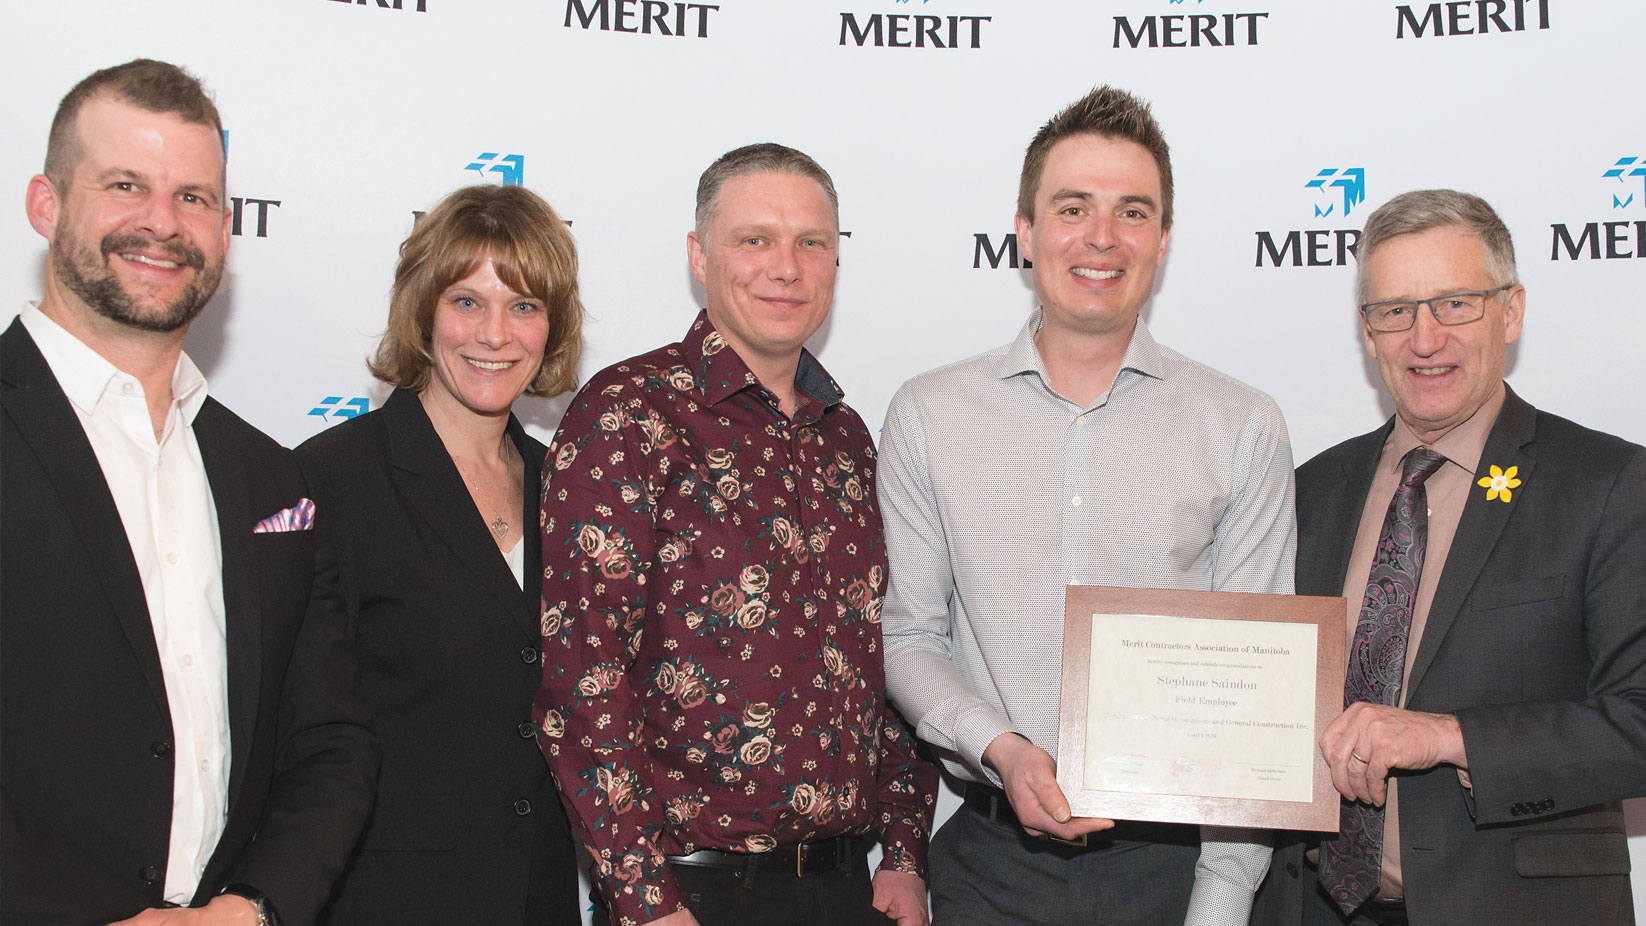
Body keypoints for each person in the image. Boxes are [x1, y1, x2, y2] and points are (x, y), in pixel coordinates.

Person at [877, 85, 1296, 925]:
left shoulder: (1242, 425)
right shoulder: (929, 414)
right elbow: (909, 637)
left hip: (1174, 874)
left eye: (1132, 212)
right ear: (1026, 234)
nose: (1102, 236)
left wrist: (1218, 906)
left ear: (1163, 240)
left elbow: (1258, 706)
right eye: (1073, 208)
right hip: (989, 868)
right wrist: (1000, 748)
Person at [1, 59, 377, 926]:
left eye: (194, 197)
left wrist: (251, 907)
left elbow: (331, 739)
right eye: (126, 185)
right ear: (46, 204)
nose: (162, 223)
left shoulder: (270, 476)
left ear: (226, 230)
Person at [533, 142, 938, 926]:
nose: (786, 267)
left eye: (811, 242)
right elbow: (583, 680)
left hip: (846, 888)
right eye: (755, 239)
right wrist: (646, 902)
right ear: (699, 255)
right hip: (688, 895)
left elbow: (891, 652)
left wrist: (903, 853)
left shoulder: (849, 439)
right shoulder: (628, 415)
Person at [1249, 189, 1646, 925]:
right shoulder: (1311, 491)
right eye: (1396, 310)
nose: (1424, 339)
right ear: (1368, 333)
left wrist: (1447, 736)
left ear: (1511, 312)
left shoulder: (1610, 483)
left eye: (1456, 304)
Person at [294, 185, 585, 925]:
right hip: (379, 899)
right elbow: (294, 727)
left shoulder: (569, 489)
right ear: (422, 311)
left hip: (539, 896)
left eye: (524, 305)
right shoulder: (331, 480)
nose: (495, 334)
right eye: (467, 301)